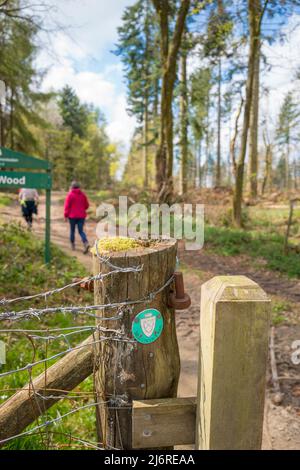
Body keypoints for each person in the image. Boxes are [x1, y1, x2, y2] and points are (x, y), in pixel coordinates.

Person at [64, 181, 90, 254]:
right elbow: (87, 205)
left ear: (72, 187)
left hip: (72, 216)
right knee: (81, 231)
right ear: (79, 187)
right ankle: (86, 243)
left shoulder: (70, 195)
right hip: (81, 216)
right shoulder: (83, 195)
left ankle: (72, 245)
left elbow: (67, 206)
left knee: (72, 230)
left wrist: (65, 215)